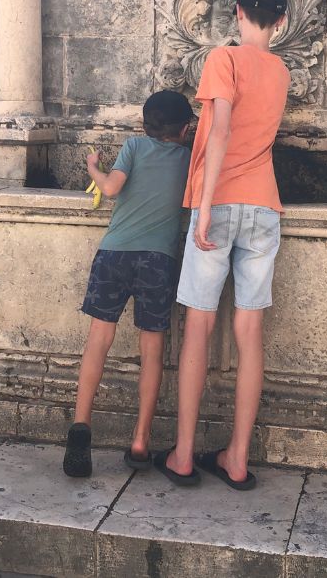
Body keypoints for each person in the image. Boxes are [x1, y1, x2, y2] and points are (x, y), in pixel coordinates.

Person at [157, 0, 290, 491]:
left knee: (199, 327)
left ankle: (185, 455)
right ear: (279, 20)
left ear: (237, 12)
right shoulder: (280, 72)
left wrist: (206, 204)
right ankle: (236, 458)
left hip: (221, 203)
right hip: (265, 208)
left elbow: (222, 130)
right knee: (250, 334)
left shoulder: (224, 59)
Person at [63, 90, 195, 478]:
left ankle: (81, 425)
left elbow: (111, 189)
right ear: (185, 129)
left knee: (98, 340)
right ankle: (140, 441)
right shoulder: (189, 160)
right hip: (159, 260)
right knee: (152, 350)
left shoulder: (134, 146)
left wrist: (93, 167)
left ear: (145, 125)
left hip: (115, 254)